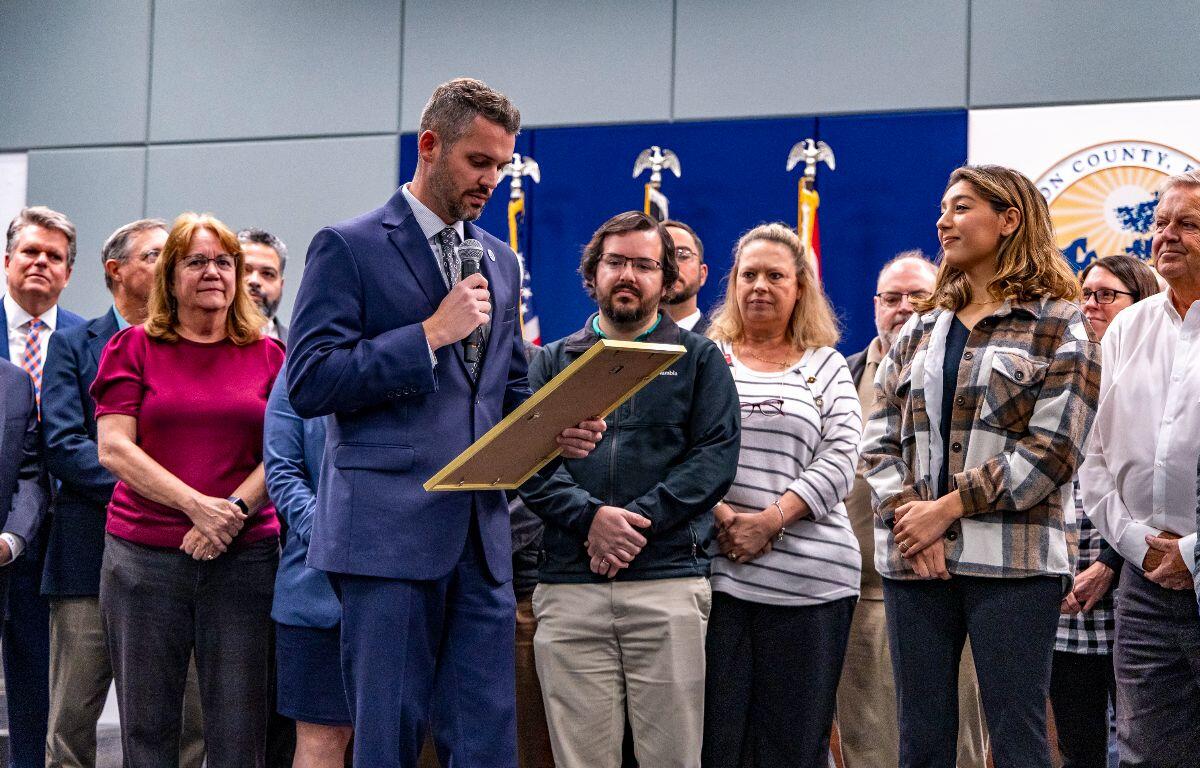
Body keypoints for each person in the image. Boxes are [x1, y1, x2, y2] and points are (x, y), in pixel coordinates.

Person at [286, 78, 603, 768]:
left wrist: (557, 430)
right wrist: (426, 335)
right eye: (478, 162)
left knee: (486, 741)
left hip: (480, 536)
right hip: (385, 536)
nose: (492, 180)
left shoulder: (500, 257)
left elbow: (507, 385)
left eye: (501, 166)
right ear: (430, 146)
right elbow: (309, 381)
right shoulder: (348, 246)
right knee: (388, 738)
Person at [860, 164, 1100, 768]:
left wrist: (947, 508)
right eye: (943, 208)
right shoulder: (917, 329)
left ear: (1010, 220)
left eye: (962, 208)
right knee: (921, 739)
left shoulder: (1059, 323)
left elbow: (1055, 450)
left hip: (1013, 563)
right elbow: (879, 440)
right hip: (915, 559)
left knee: (1016, 736)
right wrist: (912, 520)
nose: (944, 221)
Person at [519, 210, 741, 768]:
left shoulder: (699, 359)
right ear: (592, 274)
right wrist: (591, 519)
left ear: (667, 281)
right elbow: (528, 463)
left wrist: (631, 522)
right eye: (615, 262)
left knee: (672, 758)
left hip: (667, 583)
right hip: (570, 587)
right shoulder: (550, 361)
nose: (629, 275)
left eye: (645, 265)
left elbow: (714, 460)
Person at [92, 212, 284, 768]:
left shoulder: (270, 355)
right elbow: (114, 448)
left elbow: (284, 452)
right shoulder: (132, 348)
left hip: (243, 562)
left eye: (224, 261)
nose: (212, 272)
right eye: (195, 261)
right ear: (171, 277)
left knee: (239, 733)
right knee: (148, 734)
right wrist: (198, 507)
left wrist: (233, 512)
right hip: (143, 562)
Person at [40, 218, 205, 768]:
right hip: (87, 557)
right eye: (157, 255)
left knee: (186, 720)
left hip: (176, 557)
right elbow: (65, 445)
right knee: (71, 720)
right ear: (116, 271)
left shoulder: (192, 345)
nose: (172, 264)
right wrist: (167, 492)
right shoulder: (70, 345)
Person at [698, 223, 859, 767]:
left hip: (815, 585)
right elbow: (679, 449)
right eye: (749, 275)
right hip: (721, 579)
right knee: (718, 745)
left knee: (794, 747)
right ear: (733, 284)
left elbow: (842, 456)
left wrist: (770, 519)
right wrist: (724, 517)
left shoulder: (826, 364)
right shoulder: (704, 358)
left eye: (775, 275)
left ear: (799, 288)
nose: (760, 286)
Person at [837, 251, 991, 768]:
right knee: (868, 748)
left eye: (917, 297)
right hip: (860, 595)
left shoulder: (967, 369)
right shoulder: (840, 374)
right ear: (874, 306)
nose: (903, 308)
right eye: (891, 298)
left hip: (953, 584)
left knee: (958, 747)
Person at [1080, 170, 1200, 766]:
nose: (1166, 236)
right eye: (1160, 223)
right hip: (1145, 582)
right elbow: (1095, 455)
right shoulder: (1128, 328)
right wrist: (1134, 542)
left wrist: (1193, 552)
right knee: (1142, 752)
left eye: (1188, 224)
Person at [1049, 255, 1159, 767]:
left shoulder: (1154, 374)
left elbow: (1155, 483)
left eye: (1106, 294)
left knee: (1146, 740)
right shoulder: (1065, 366)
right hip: (1065, 590)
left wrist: (1112, 563)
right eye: (1085, 293)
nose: (1090, 304)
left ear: (1141, 304)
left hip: (1138, 580)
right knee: (1078, 750)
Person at [0, 205, 84, 768]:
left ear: (69, 273)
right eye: (30, 252)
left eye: (54, 257)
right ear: (7, 261)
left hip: (59, 536)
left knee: (39, 684)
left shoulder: (86, 338)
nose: (41, 264)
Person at [264, 373, 351, 768]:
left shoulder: (421, 358)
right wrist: (337, 538)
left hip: (406, 584)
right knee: (322, 738)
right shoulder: (298, 371)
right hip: (315, 592)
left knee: (396, 735)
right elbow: (282, 471)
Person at [238, 227, 288, 342]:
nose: (254, 281)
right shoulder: (200, 342)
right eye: (244, 270)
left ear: (281, 285)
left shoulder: (300, 350)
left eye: (267, 273)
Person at [662, 219, 709, 333]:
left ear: (702, 274)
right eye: (662, 255)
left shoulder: (722, 344)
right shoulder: (625, 342)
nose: (672, 265)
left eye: (683, 255)